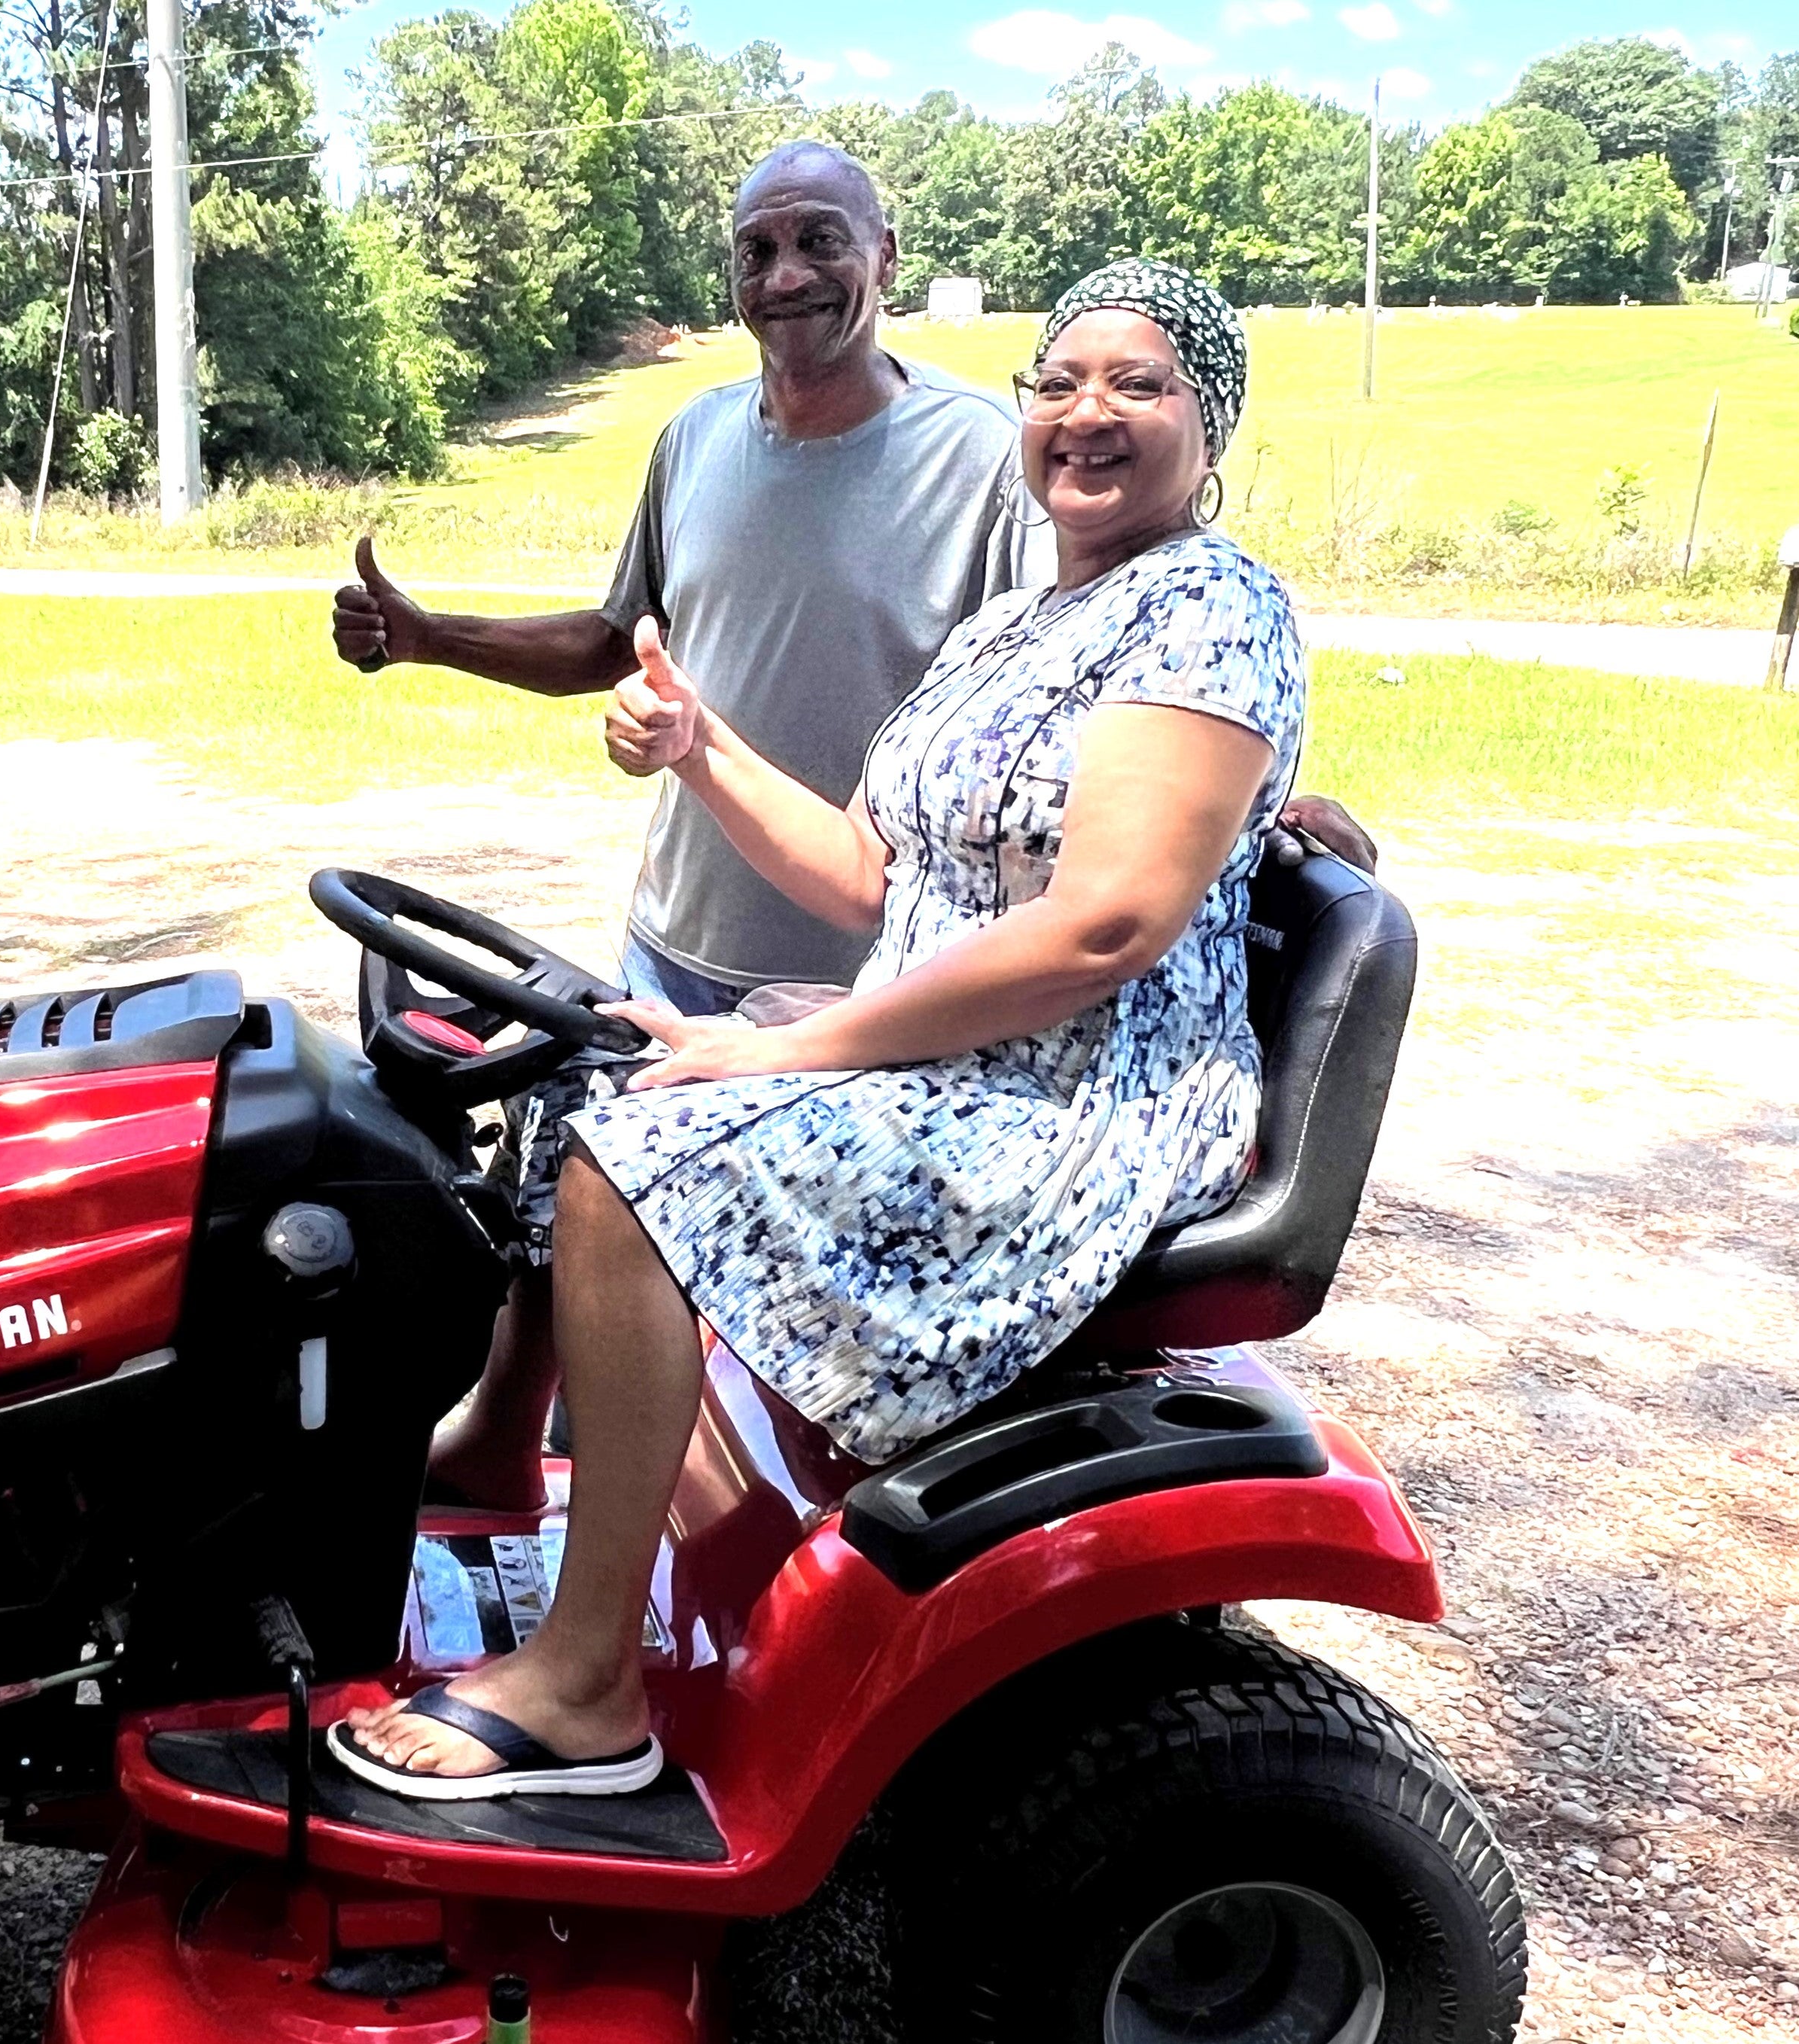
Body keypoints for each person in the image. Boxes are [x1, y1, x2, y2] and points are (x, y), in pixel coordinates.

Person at [336, 258, 1308, 1800]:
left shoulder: (1204, 602)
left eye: (1138, 384)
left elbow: (1105, 925)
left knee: (629, 1159)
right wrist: (697, 745)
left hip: (1067, 1102)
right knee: (588, 1059)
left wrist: (792, 1047)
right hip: (961, 1052)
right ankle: (486, 1461)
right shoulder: (1020, 618)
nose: (1085, 412)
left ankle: (584, 1681)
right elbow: (868, 874)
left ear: (1213, 422)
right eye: (1056, 381)